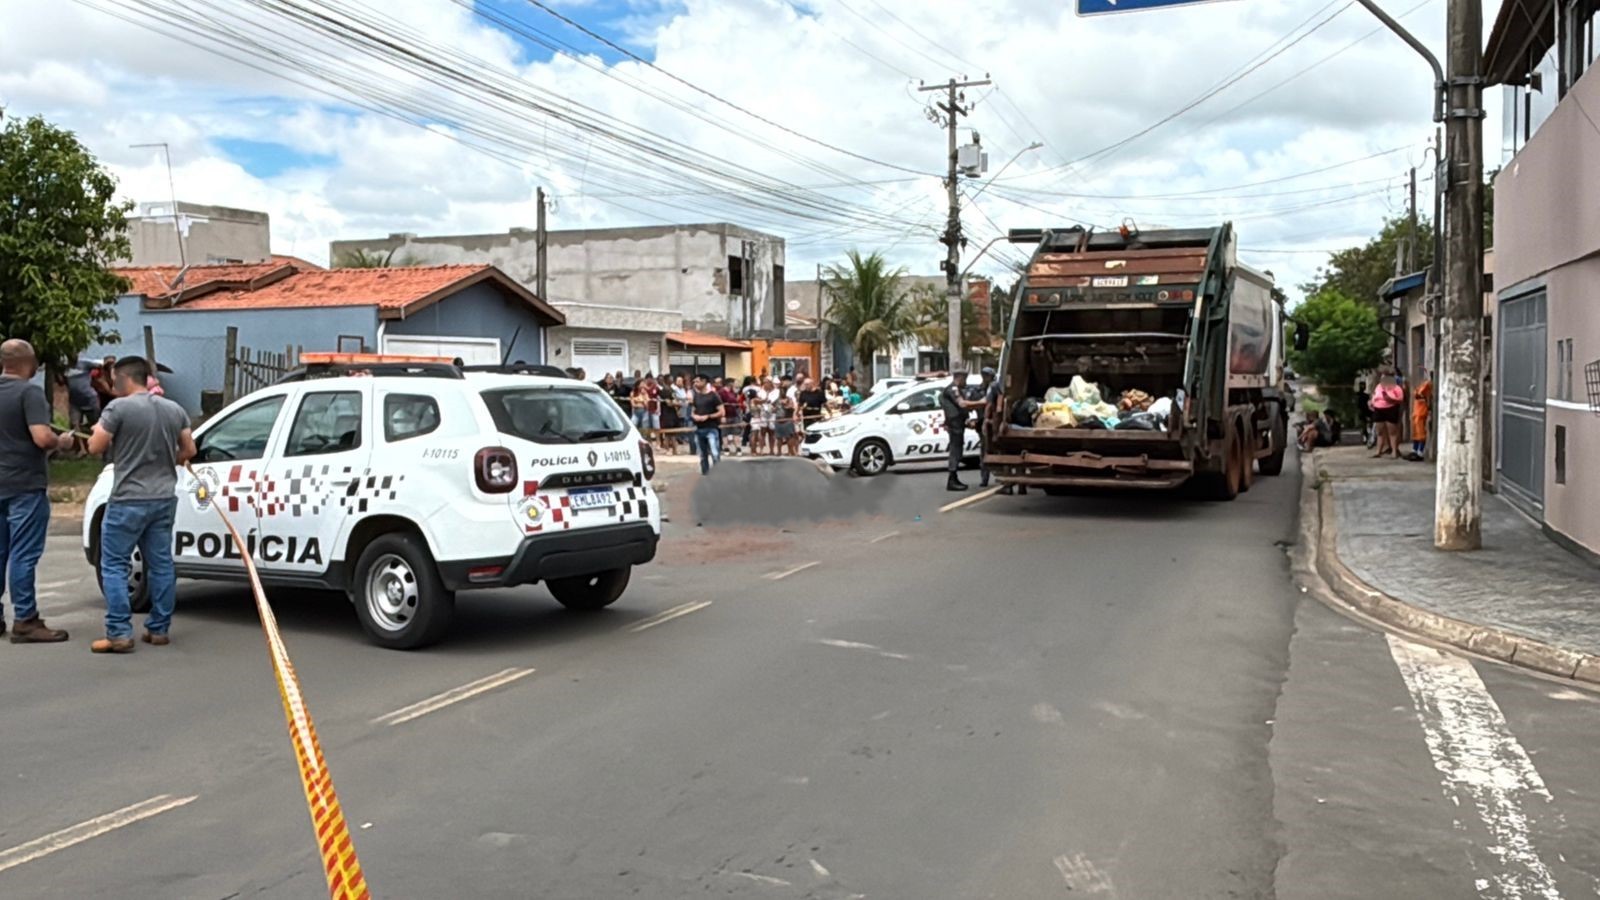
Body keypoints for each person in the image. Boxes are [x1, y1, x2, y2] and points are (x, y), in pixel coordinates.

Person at [86, 356, 195, 653]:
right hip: (163, 498)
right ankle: (158, 629)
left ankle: (119, 632)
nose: (111, 384)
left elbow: (96, 445)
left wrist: (95, 433)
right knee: (161, 564)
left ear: (123, 378)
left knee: (114, 565)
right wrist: (164, 461)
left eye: (112, 379)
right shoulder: (174, 409)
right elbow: (189, 449)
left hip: (127, 500)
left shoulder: (117, 408)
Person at [0, 339, 76, 643]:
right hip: (25, 484)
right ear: (29, 363)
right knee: (23, 553)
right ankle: (26, 619)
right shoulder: (29, 392)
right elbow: (42, 437)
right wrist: (63, 442)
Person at [940, 369, 986, 491]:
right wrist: (981, 403)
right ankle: (952, 479)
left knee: (958, 449)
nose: (965, 382)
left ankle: (954, 478)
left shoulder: (957, 389)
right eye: (964, 379)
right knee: (955, 450)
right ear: (959, 378)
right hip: (955, 426)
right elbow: (962, 404)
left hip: (958, 424)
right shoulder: (953, 389)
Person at [689, 374, 724, 474]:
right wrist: (694, 416)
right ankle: (705, 474)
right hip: (699, 429)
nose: (695, 384)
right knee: (702, 455)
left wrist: (708, 416)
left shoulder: (714, 395)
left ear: (704, 381)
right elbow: (693, 410)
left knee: (715, 453)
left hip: (711, 428)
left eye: (697, 381)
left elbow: (721, 411)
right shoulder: (696, 396)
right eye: (694, 382)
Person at [1369, 368, 1405, 459]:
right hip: (1378, 409)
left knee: (1392, 431)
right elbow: (1374, 396)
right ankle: (1378, 451)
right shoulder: (1378, 387)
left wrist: (1390, 399)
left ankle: (1394, 451)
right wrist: (1371, 402)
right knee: (1380, 431)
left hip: (1391, 409)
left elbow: (1400, 399)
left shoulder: (1396, 388)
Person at [975, 366, 1000, 490]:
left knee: (995, 451)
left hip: (992, 423)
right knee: (984, 451)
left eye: (987, 375)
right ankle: (984, 479)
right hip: (983, 424)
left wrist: (986, 421)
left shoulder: (994, 387)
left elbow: (989, 404)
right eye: (983, 375)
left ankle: (1002, 479)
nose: (984, 377)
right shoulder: (979, 388)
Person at [63, 359, 101, 430]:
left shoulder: (84, 363)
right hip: (75, 402)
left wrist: (98, 380)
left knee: (95, 425)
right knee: (74, 426)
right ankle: (79, 440)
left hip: (90, 400)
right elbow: (63, 381)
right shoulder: (65, 367)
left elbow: (100, 366)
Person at [1409, 367, 1433, 461]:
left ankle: (1420, 452)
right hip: (1416, 410)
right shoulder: (1422, 385)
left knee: (1421, 432)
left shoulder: (1427, 384)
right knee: (1416, 432)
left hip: (1421, 411)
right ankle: (1414, 450)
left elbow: (1419, 394)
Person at [1353, 380, 1373, 448]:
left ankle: (1367, 437)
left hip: (1365, 411)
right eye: (1362, 385)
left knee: (1366, 425)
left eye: (1363, 385)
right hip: (1362, 412)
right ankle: (1366, 437)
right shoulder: (1359, 395)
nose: (1363, 387)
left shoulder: (1365, 395)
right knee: (1363, 426)